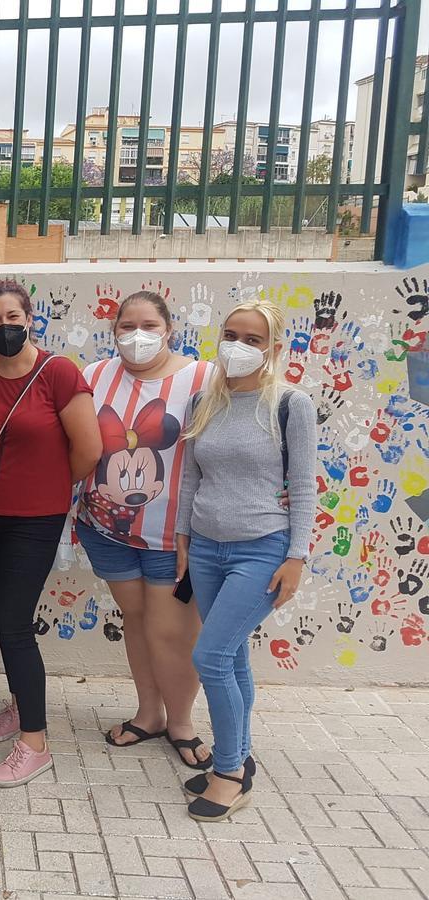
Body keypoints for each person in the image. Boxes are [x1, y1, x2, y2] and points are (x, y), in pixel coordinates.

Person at [0, 279, 101, 787]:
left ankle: (35, 743)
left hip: (36, 519)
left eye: (13, 318)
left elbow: (88, 449)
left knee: (14, 622)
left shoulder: (57, 373)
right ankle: (19, 702)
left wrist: (48, 488)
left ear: (30, 318)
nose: (4, 327)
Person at [176, 299, 315, 822]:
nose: (239, 346)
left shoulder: (289, 404)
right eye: (231, 334)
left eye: (253, 339)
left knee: (209, 657)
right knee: (231, 656)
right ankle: (241, 755)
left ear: (274, 349)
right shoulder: (204, 401)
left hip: (263, 548)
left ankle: (230, 771)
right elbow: (192, 476)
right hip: (208, 547)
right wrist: (185, 538)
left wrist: (296, 557)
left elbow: (303, 485)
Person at [76, 291, 214, 770]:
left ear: (169, 329)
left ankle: (182, 722)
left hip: (175, 538)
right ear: (113, 331)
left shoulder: (203, 377)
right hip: (106, 530)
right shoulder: (94, 376)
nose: (137, 335)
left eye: (149, 325)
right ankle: (148, 713)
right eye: (126, 326)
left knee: (173, 632)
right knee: (137, 622)